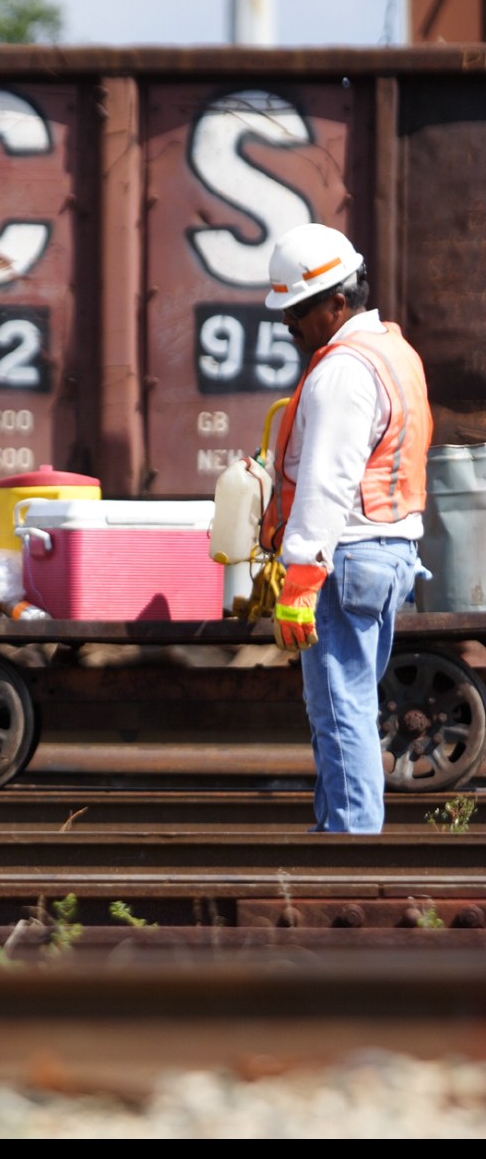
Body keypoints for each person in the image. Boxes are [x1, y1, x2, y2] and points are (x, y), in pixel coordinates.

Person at [260, 223, 433, 833]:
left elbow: (326, 482)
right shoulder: (394, 351)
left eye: (297, 312)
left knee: (339, 708)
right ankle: (340, 829)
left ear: (337, 302)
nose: (290, 328)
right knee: (350, 703)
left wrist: (300, 579)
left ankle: (350, 844)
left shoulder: (342, 372)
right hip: (387, 553)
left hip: (346, 558)